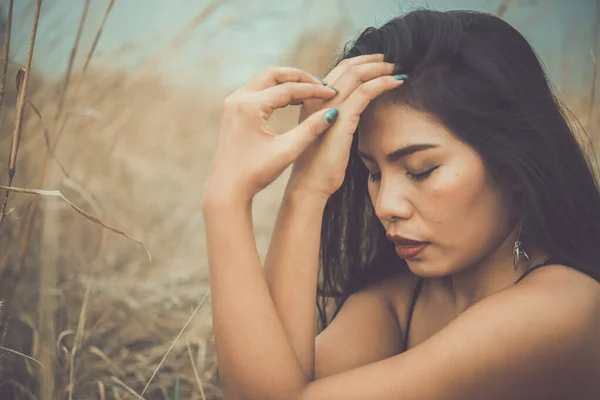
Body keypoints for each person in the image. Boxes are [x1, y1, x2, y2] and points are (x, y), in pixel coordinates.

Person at [201, 8, 600, 400]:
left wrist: (226, 202)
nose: (386, 205)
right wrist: (306, 186)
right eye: (372, 172)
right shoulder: (405, 298)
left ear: (514, 166)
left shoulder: (561, 309)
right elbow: (276, 379)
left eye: (421, 170)